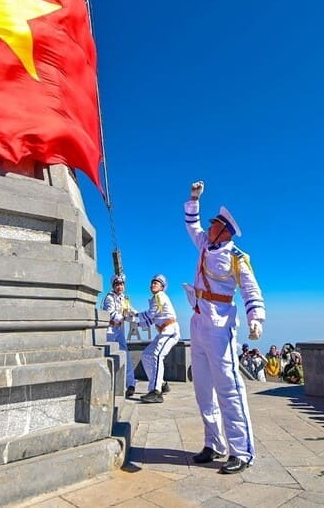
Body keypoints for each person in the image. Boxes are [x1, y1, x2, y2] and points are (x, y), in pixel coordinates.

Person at [183, 180, 266, 474]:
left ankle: (241, 451)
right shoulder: (205, 243)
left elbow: (251, 290)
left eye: (214, 223)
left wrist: (256, 318)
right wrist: (194, 199)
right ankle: (214, 443)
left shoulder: (237, 258)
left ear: (225, 229)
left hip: (221, 324)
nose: (209, 226)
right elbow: (192, 226)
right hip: (198, 321)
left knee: (229, 388)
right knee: (203, 388)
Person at [136, 273, 180, 404]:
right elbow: (151, 319)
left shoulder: (159, 296)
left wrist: (133, 314)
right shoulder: (156, 299)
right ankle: (161, 384)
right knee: (146, 355)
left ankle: (156, 392)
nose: (154, 284)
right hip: (163, 332)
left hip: (170, 331)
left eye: (157, 282)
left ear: (162, 287)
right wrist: (134, 321)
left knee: (156, 355)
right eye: (153, 282)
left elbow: (149, 314)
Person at [103, 273, 137, 397]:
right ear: (113, 286)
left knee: (125, 355)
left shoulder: (124, 299)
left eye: (121, 284)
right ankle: (108, 384)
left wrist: (136, 315)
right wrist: (125, 316)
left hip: (120, 330)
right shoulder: (109, 298)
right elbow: (111, 314)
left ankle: (131, 384)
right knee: (109, 356)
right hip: (110, 330)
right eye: (117, 284)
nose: (120, 286)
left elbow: (130, 310)